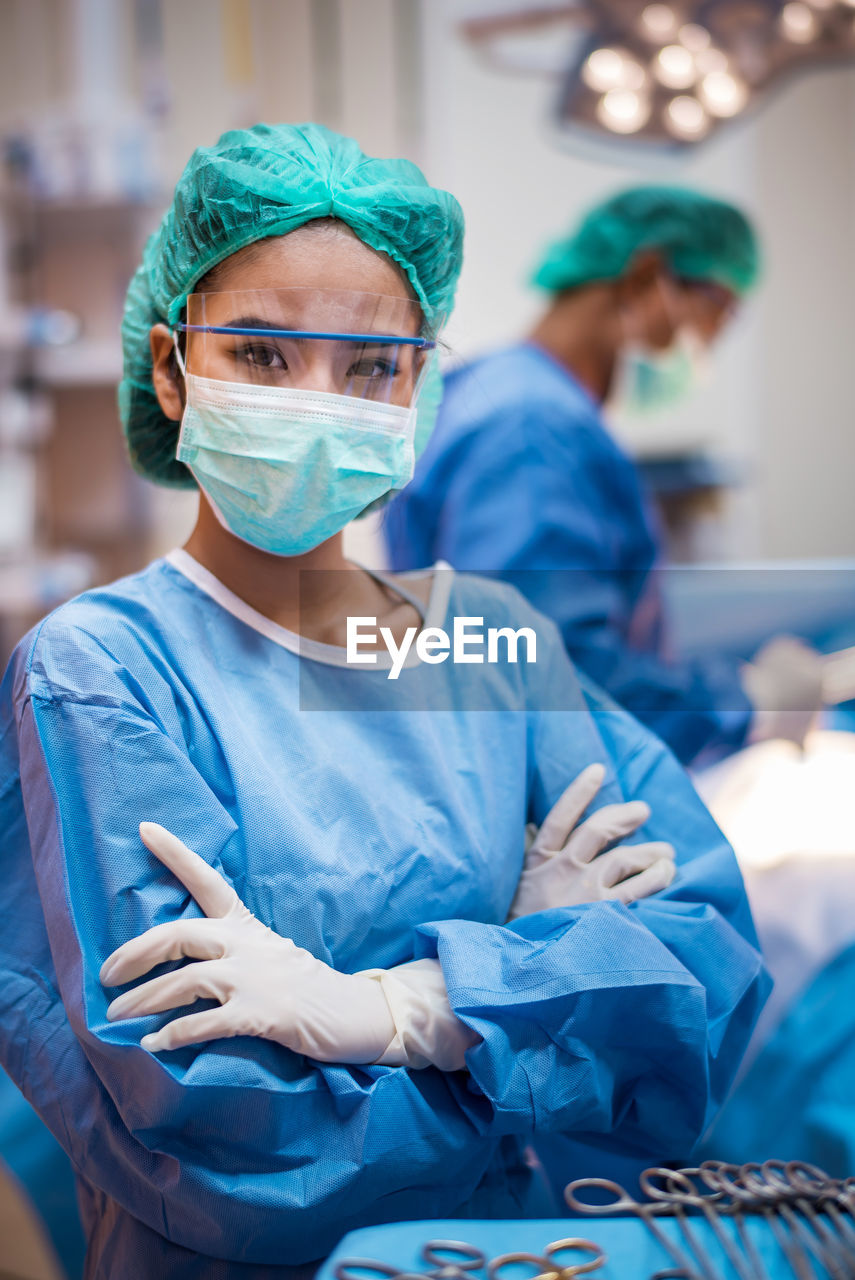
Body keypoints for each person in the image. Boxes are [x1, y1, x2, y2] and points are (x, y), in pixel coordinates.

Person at [0, 126, 768, 1279]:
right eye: (262, 354)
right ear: (171, 368)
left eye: (371, 367)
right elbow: (221, 1143)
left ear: (422, 384)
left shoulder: (494, 637)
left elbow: (699, 980)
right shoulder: (103, 671)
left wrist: (404, 1007)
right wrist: (531, 990)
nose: (320, 402)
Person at [384, 186, 825, 766]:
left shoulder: (497, 388)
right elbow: (553, 671)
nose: (711, 345)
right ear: (646, 279)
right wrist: (745, 702)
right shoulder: (533, 430)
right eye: (718, 311)